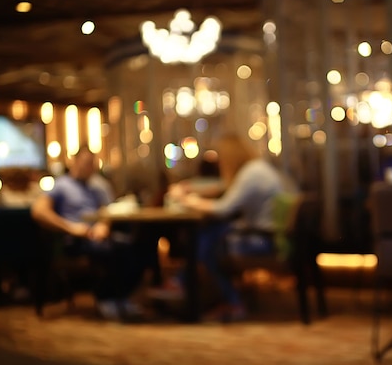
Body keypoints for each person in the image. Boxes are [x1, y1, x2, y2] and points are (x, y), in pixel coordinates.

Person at [160, 133, 289, 321]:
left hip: (262, 241)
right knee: (213, 234)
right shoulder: (255, 169)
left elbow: (223, 208)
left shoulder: (251, 174)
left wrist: (186, 200)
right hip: (266, 236)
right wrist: (193, 189)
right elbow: (225, 188)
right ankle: (184, 283)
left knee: (211, 244)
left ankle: (226, 300)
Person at [30, 145, 145, 320]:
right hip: (73, 240)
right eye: (86, 163)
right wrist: (71, 228)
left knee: (134, 247)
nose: (89, 167)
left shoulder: (95, 187)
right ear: (74, 162)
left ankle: (118, 297)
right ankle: (106, 297)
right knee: (114, 252)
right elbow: (38, 211)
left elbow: (106, 212)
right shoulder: (61, 185)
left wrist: (103, 225)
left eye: (92, 164)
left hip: (96, 235)